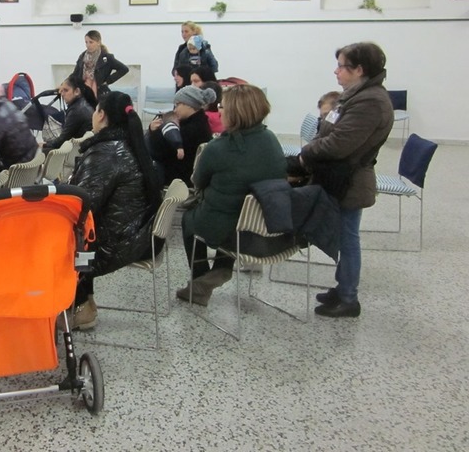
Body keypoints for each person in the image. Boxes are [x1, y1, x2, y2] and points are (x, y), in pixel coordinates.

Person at [300, 43, 393, 318]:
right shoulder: (354, 95)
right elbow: (327, 129)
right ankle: (342, 288)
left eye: (341, 66)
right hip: (339, 176)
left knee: (348, 239)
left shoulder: (370, 102)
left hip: (350, 180)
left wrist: (307, 152)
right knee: (345, 236)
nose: (336, 71)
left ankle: (349, 297)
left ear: (359, 69)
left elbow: (339, 143)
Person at [177, 84, 287, 305]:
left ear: (235, 112)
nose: (219, 111)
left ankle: (201, 281)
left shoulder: (217, 148)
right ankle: (220, 267)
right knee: (229, 215)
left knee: (188, 220)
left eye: (222, 106)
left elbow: (198, 181)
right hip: (266, 225)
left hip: (229, 228)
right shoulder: (271, 139)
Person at [68, 91, 163, 330]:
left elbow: (82, 205)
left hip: (115, 243)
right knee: (79, 231)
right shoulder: (129, 143)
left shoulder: (107, 152)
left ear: (101, 115)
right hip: (135, 233)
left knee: (63, 234)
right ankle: (84, 303)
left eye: (95, 110)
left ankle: (79, 306)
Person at [147, 85, 215, 186]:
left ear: (189, 104)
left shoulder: (191, 129)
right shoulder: (198, 123)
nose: (175, 110)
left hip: (180, 184)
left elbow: (158, 153)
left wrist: (154, 132)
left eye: (178, 104)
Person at [71, 29, 129, 107]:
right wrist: (63, 85)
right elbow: (75, 74)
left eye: (91, 42)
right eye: (86, 42)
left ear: (98, 42)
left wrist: (108, 80)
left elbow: (124, 69)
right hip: (83, 93)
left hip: (100, 95)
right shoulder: (82, 57)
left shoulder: (107, 58)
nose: (88, 45)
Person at [42, 74, 93, 153]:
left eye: (66, 90)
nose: (62, 94)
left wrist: (43, 145)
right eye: (61, 91)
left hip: (76, 151)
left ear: (77, 91)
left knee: (39, 152)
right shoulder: (83, 104)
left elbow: (62, 140)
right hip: (82, 148)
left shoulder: (76, 111)